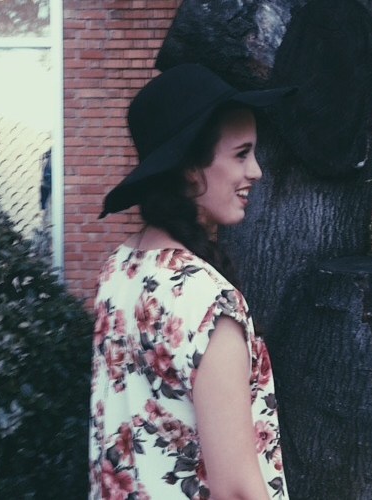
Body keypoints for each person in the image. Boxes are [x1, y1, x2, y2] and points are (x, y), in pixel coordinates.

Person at [90, 63, 294, 500]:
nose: (256, 171)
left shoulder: (120, 270)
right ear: (188, 166)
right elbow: (236, 490)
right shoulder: (208, 302)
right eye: (241, 154)